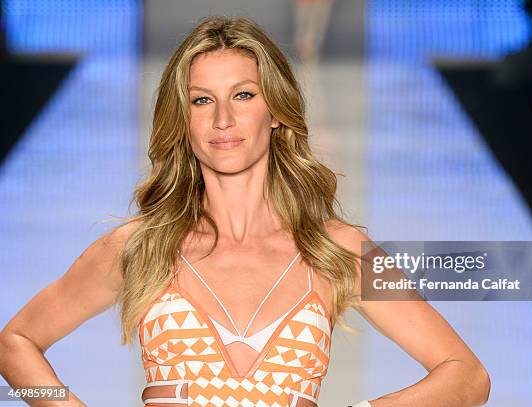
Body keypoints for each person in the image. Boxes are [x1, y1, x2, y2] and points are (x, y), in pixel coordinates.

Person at [0, 16, 490, 407]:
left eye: (243, 95)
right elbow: (15, 341)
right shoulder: (139, 247)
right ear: (183, 120)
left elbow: (466, 376)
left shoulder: (336, 250)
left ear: (275, 109)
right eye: (201, 100)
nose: (223, 120)